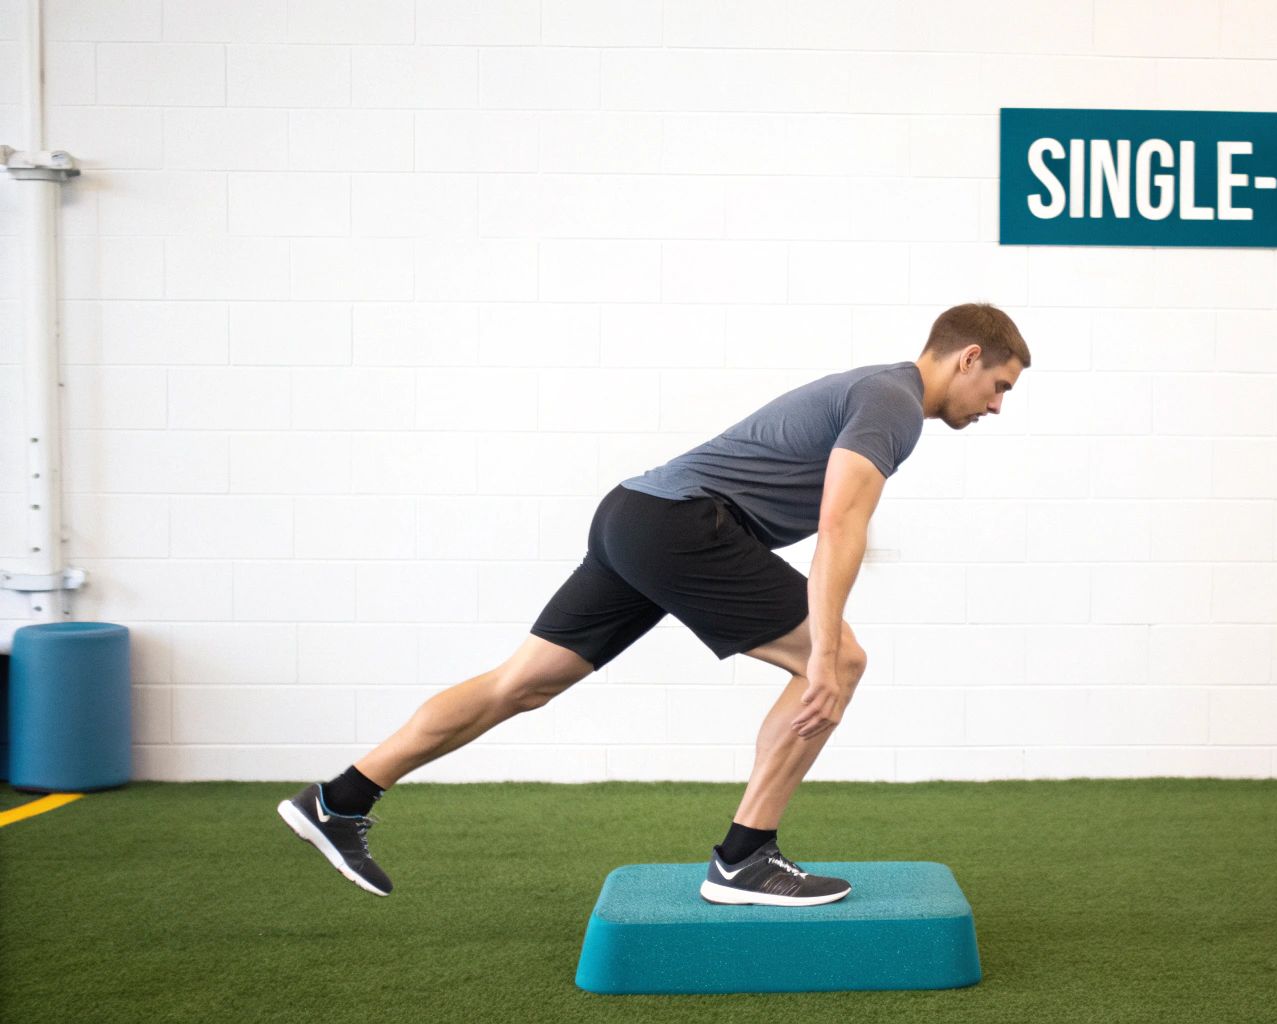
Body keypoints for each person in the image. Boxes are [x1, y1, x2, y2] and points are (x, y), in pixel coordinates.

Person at [277, 302, 1030, 906]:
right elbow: (840, 525)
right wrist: (826, 656)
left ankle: (339, 799)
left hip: (636, 512)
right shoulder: (893, 403)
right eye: (999, 386)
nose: (996, 406)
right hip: (679, 523)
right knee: (839, 661)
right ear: (968, 357)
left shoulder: (877, 390)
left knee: (524, 683)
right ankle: (744, 859)